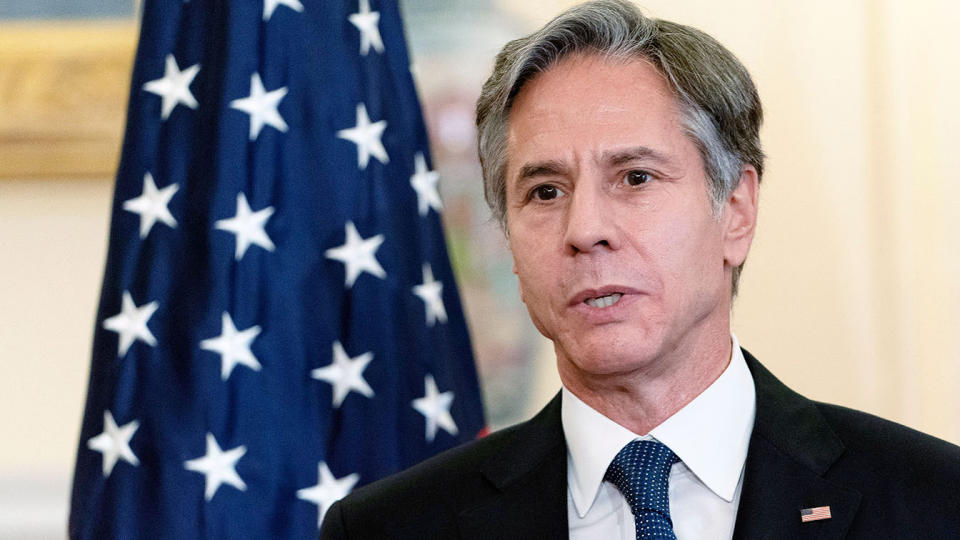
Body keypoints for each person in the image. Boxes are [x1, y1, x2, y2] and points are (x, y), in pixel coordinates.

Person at [320, 1, 960, 538]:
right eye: (545, 191)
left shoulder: (933, 502)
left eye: (635, 177)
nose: (584, 229)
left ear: (735, 210)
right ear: (510, 241)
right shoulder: (389, 529)